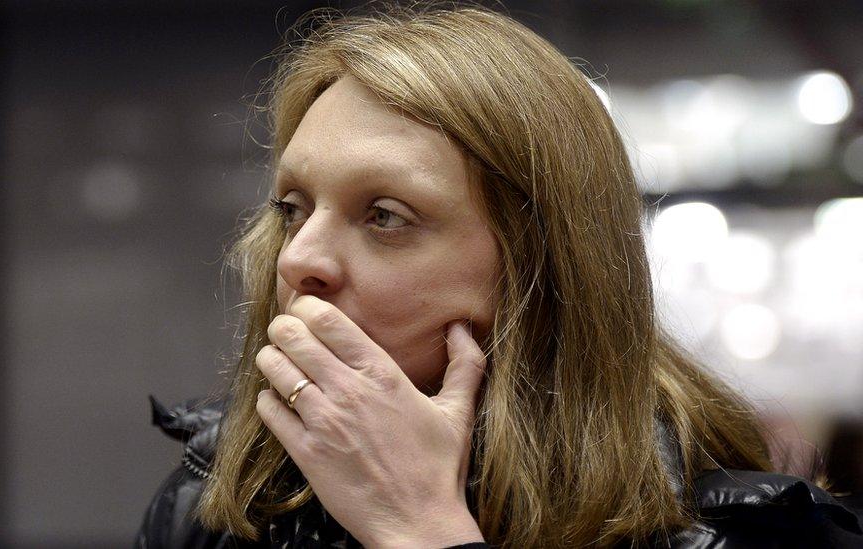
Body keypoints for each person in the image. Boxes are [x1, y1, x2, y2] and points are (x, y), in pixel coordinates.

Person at [136, 3, 863, 547]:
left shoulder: (753, 534)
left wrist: (421, 528)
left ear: (539, 268)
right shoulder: (210, 508)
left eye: (384, 215)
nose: (298, 259)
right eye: (294, 207)